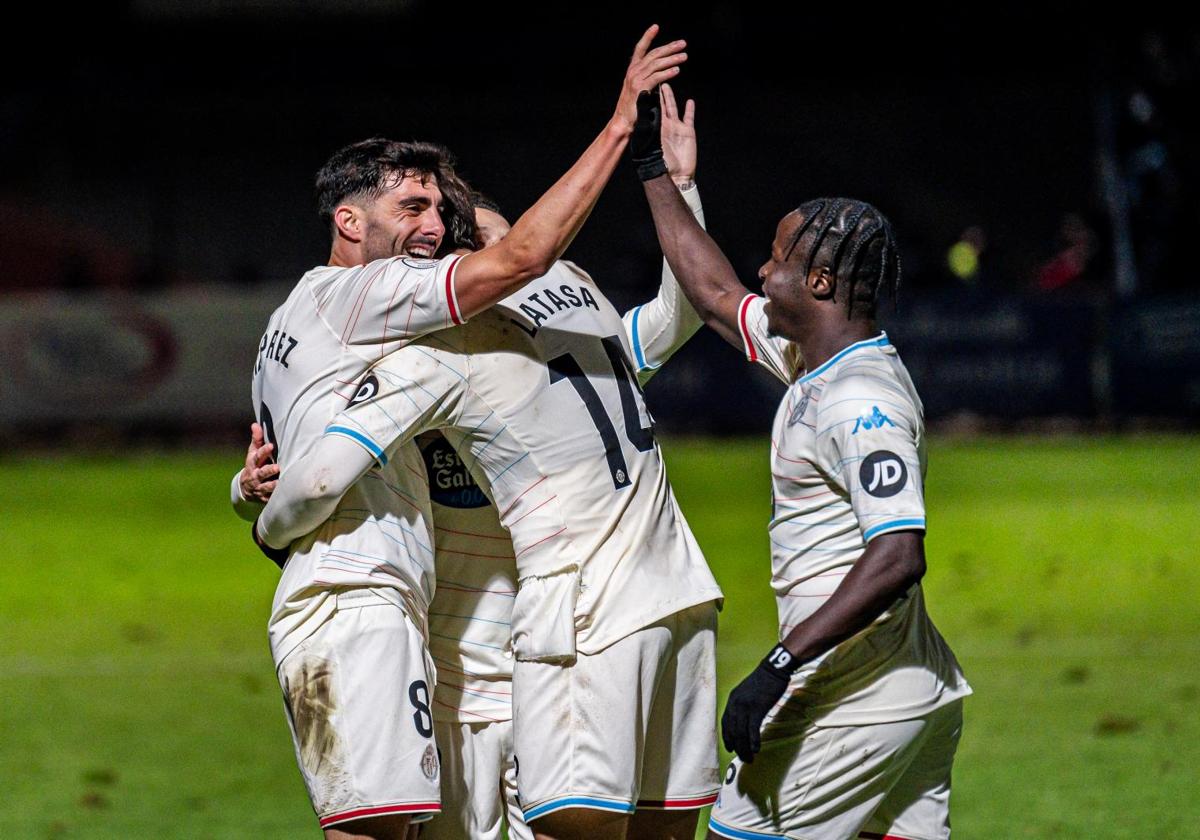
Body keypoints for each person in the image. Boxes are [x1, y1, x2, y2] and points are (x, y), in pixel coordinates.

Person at [237, 27, 689, 840]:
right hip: (403, 626)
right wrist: (630, 138)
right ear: (349, 221)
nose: (437, 235)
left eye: (446, 221)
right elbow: (525, 258)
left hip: (485, 648)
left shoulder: (310, 322)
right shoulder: (388, 312)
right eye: (416, 211)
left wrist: (248, 500)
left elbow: (280, 465)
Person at [634, 101, 972, 840]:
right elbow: (716, 295)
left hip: (848, 702)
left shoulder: (859, 400)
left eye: (779, 258)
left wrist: (777, 666)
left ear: (819, 283)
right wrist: (658, 172)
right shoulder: (813, 361)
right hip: (911, 690)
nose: (763, 268)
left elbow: (897, 555)